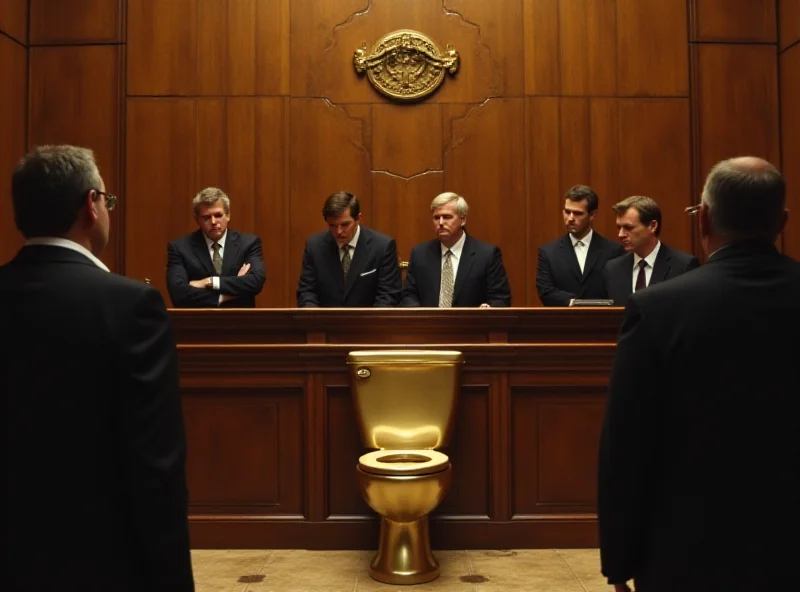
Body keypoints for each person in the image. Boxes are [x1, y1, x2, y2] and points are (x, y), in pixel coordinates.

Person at [597, 157, 800, 592]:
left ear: (704, 218)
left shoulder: (656, 309)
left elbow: (625, 446)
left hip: (686, 553)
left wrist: (619, 561)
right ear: (781, 221)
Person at [2, 145, 194, 590]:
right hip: (99, 563)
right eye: (106, 200)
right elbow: (156, 473)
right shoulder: (131, 307)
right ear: (91, 205)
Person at [401, 192, 511, 307]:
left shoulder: (487, 255)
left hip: (472, 323)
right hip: (428, 323)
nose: (441, 223)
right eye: (436, 218)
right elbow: (409, 294)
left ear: (463, 220)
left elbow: (501, 298)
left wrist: (489, 309)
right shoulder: (420, 254)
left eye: (447, 217)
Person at [296, 190, 402, 307]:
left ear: (358, 219)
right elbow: (307, 292)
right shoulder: (315, 247)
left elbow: (388, 296)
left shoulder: (382, 247)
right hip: (325, 323)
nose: (338, 231)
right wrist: (314, 317)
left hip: (369, 323)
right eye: (332, 225)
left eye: (345, 224)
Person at [167, 187, 265, 308]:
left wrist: (209, 282)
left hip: (239, 322)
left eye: (218, 215)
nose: (213, 222)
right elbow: (178, 293)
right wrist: (226, 295)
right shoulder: (180, 248)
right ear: (197, 219)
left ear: (228, 215)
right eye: (206, 217)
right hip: (197, 323)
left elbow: (255, 282)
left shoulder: (248, 243)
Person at [603, 195, 698, 306]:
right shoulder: (612, 269)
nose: (620, 235)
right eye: (619, 228)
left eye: (628, 228)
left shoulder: (683, 266)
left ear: (653, 226)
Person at [536, 185, 624, 306]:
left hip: (602, 320)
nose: (570, 218)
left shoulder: (614, 250)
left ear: (592, 215)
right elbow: (545, 291)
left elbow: (618, 290)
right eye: (567, 212)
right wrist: (574, 302)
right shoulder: (549, 252)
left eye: (577, 213)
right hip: (562, 320)